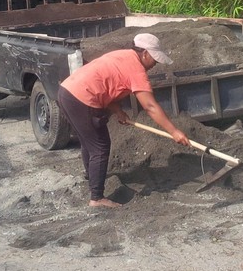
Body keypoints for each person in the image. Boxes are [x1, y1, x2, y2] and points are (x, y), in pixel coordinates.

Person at [57, 33, 191, 209]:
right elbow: (150, 106)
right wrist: (173, 131)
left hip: (66, 92)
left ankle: (92, 176)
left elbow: (106, 84)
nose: (155, 63)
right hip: (83, 99)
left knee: (88, 141)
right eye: (155, 59)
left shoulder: (123, 55)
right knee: (100, 147)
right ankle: (96, 198)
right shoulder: (136, 69)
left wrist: (118, 111)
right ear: (144, 53)